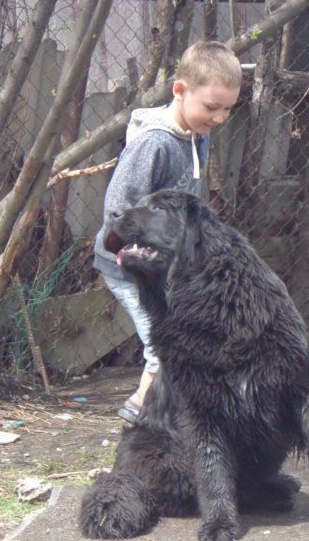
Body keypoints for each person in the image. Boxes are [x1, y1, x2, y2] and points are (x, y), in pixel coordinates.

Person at [93, 41, 242, 423]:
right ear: (180, 90)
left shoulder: (197, 133)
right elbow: (118, 208)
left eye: (227, 109)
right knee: (164, 340)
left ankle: (157, 408)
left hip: (163, 263)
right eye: (212, 107)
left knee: (178, 335)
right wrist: (141, 255)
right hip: (127, 262)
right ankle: (143, 411)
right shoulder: (155, 142)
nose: (220, 117)